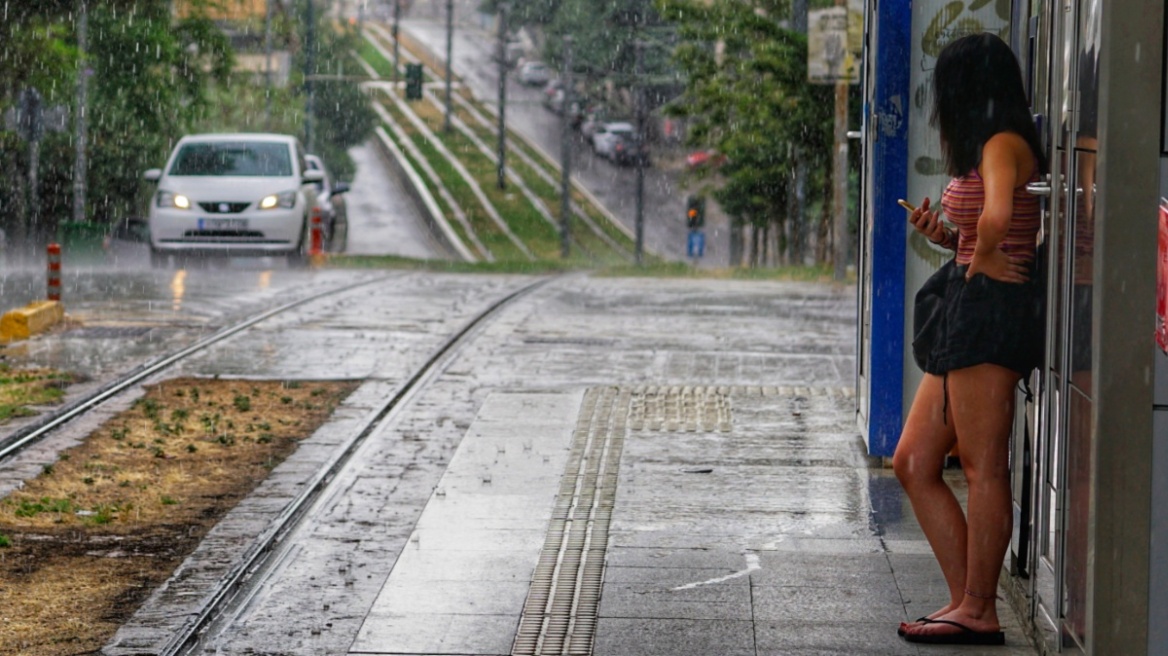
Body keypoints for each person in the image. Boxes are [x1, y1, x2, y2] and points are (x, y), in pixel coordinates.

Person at [894, 32, 1046, 646]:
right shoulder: (992, 143)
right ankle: (967, 602)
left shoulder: (1004, 144)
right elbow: (979, 227)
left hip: (991, 313)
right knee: (914, 460)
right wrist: (947, 237)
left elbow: (998, 218)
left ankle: (978, 607)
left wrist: (980, 257)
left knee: (985, 466)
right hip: (971, 308)